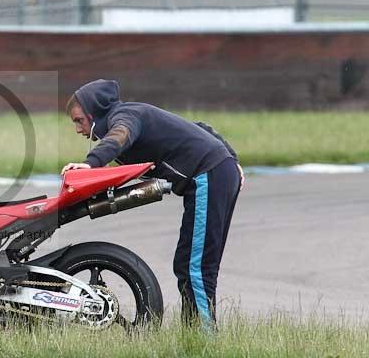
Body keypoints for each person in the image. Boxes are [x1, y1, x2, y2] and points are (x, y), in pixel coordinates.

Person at [62, 79, 243, 329]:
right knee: (187, 263)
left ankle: (204, 340)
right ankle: (194, 336)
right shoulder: (133, 112)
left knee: (196, 268)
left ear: (95, 113)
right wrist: (232, 161)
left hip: (209, 174)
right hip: (216, 173)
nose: (78, 129)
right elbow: (199, 127)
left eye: (79, 120)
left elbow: (120, 136)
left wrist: (91, 163)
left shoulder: (124, 116)